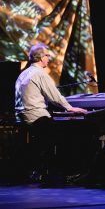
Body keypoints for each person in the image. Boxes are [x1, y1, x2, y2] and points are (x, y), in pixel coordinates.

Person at [15, 43, 87, 182]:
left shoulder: (23, 74)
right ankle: (69, 172)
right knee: (70, 132)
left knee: (57, 129)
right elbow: (55, 97)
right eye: (47, 55)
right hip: (37, 117)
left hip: (23, 117)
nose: (49, 58)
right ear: (41, 57)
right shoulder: (40, 74)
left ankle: (42, 169)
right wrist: (70, 108)